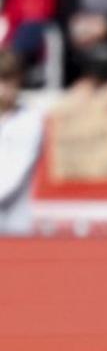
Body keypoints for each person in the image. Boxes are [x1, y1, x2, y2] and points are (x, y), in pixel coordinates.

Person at [0, 50, 41, 234]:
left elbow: (12, 176)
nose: (2, 89)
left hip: (13, 225)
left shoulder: (29, 122)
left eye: (7, 81)